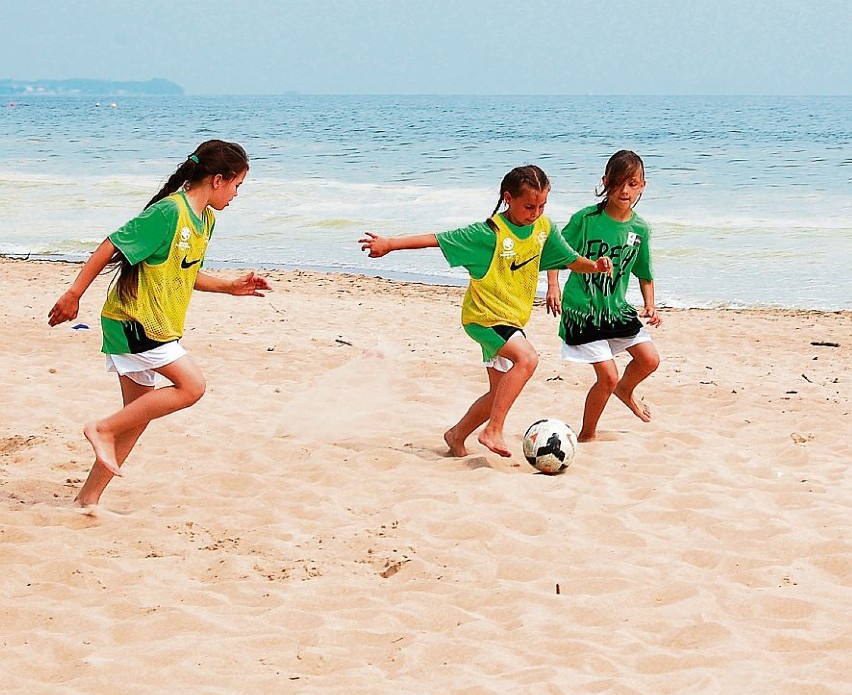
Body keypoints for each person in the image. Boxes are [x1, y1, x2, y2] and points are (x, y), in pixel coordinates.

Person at [48, 140, 271, 507]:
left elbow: (186, 272)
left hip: (156, 325)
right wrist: (74, 293)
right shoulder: (170, 212)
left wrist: (230, 287)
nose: (236, 195)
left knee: (135, 419)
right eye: (237, 186)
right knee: (192, 386)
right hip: (135, 322)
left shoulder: (205, 220)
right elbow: (111, 245)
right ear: (218, 179)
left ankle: (87, 500)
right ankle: (100, 427)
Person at [359, 165, 613, 458]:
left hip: (512, 318)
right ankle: (494, 429)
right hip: (485, 318)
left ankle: (456, 435)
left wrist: (594, 266)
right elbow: (438, 238)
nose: (536, 212)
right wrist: (390, 244)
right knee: (527, 359)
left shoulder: (544, 229)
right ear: (508, 198)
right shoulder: (488, 234)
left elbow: (568, 258)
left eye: (542, 205)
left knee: (497, 394)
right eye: (529, 206)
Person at [545, 150, 661, 442]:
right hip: (582, 310)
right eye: (619, 182)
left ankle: (626, 390)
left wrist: (650, 304)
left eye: (633, 184)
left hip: (616, 309)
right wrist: (553, 286)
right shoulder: (586, 220)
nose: (625, 191)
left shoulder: (640, 228)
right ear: (605, 181)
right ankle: (587, 435)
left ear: (643, 186)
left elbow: (644, 272)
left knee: (649, 360)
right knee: (607, 376)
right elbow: (556, 254)